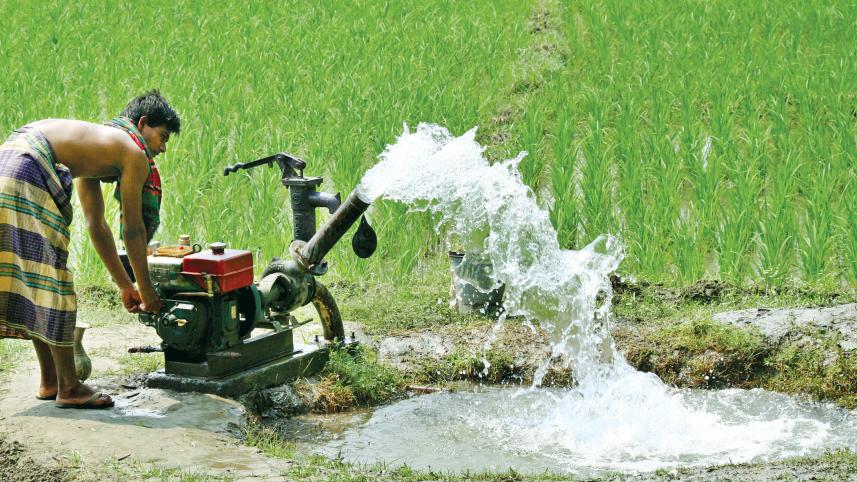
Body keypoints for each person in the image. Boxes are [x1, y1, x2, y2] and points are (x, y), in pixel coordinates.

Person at [0, 90, 180, 409]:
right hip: (29, 163)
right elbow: (133, 229)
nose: (162, 148)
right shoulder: (133, 152)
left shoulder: (97, 146)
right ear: (142, 124)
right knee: (53, 278)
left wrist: (125, 286)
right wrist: (147, 289)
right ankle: (69, 387)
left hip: (9, 159)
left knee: (37, 277)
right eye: (162, 136)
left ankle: (51, 380)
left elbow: (97, 226)